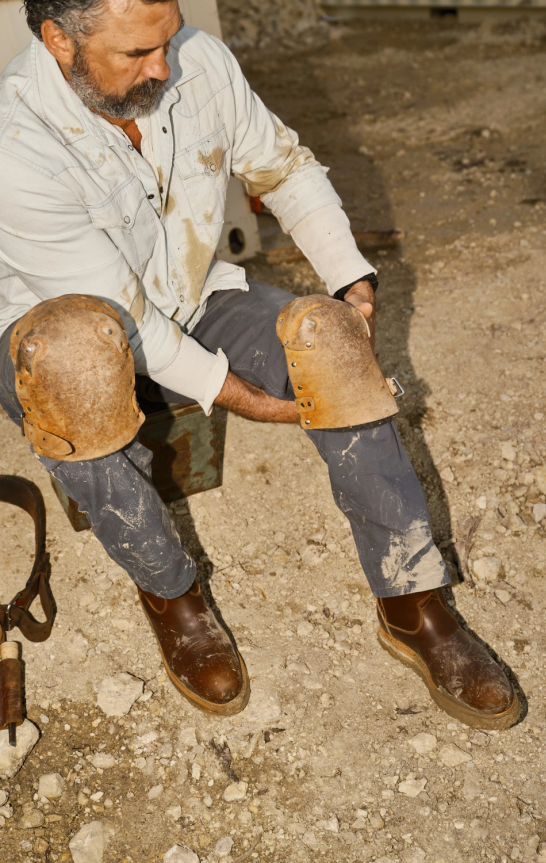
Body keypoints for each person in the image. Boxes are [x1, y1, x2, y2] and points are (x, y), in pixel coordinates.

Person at [0, 0, 519, 729]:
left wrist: (348, 280)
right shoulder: (16, 144)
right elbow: (130, 320)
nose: (164, 65)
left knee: (330, 343)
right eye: (137, 54)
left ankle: (413, 603)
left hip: (190, 295)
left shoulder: (197, 60)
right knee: (76, 368)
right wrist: (239, 396)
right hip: (55, 329)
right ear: (59, 39)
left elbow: (284, 169)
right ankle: (172, 595)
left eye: (168, 37)